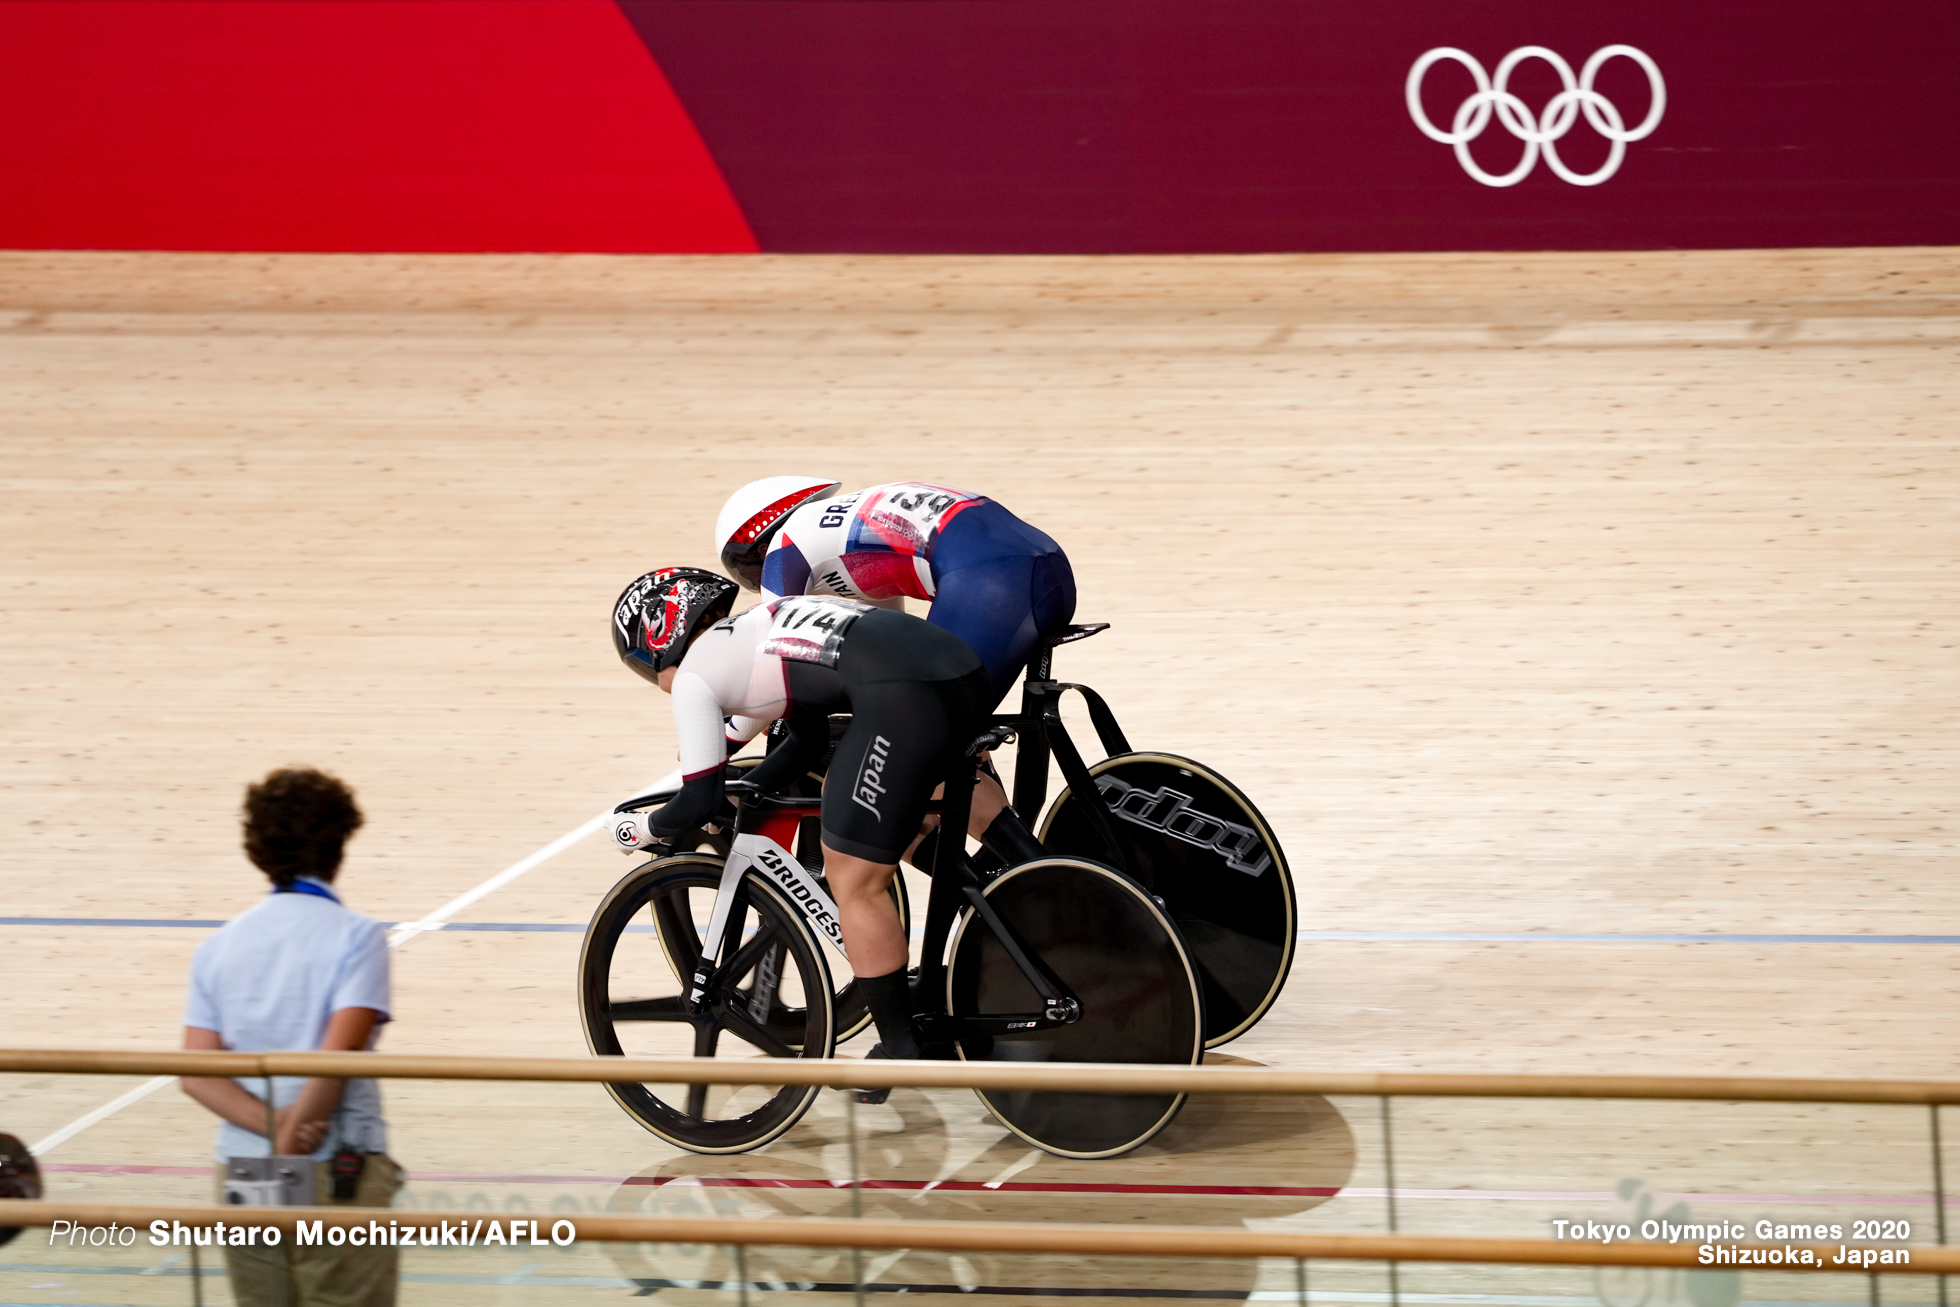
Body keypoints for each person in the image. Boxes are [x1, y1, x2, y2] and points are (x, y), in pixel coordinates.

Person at [610, 567, 991, 1065]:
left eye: (640, 660)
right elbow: (806, 741)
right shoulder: (756, 628)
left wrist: (637, 829)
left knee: (853, 879)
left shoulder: (696, 675)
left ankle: (902, 1047)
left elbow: (696, 804)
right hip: (960, 669)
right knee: (886, 821)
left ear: (661, 637)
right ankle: (1007, 895)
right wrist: (756, 787)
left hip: (901, 693)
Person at [714, 477, 1074, 863]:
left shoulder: (787, 547)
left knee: (867, 782)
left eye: (747, 570)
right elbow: (891, 654)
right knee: (932, 740)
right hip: (1045, 565)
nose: (757, 581)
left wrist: (717, 745)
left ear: (758, 541)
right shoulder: (848, 539)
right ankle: (1007, 882)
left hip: (994, 581)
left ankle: (1038, 889)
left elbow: (775, 656)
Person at [180, 768, 399, 1307]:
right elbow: (338, 1055)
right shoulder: (359, 937)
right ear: (340, 844)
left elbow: (196, 1073)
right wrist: (294, 1139)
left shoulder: (219, 946)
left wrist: (273, 1132)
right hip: (333, 1163)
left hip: (244, 1166)